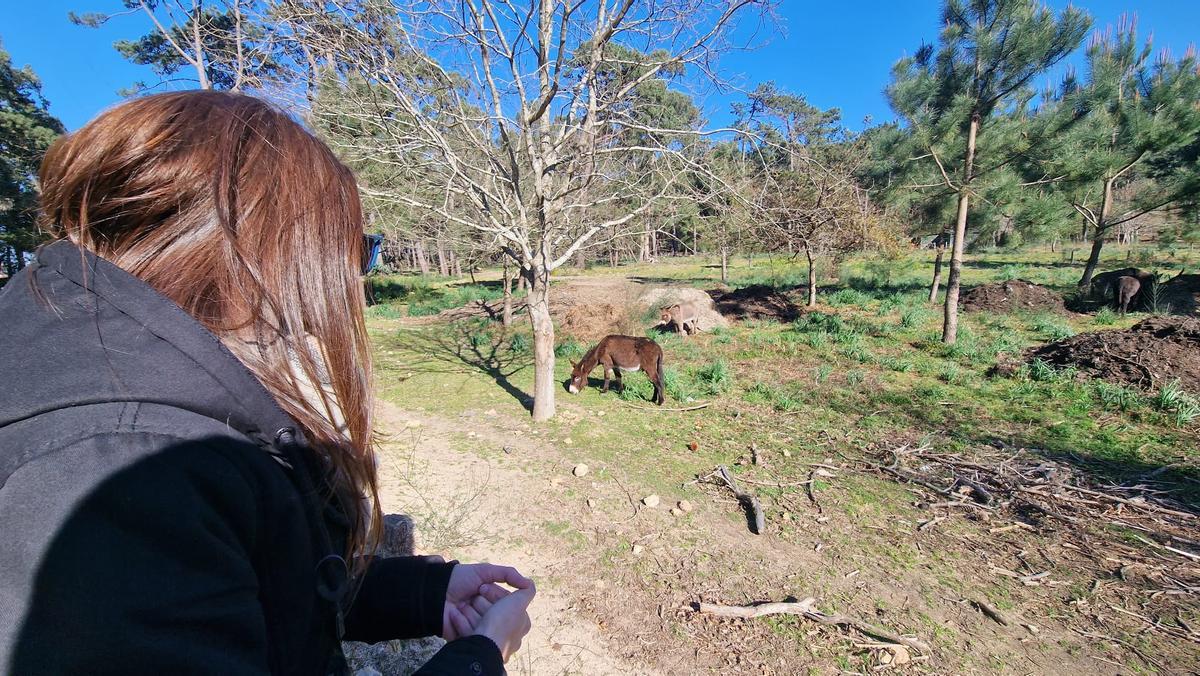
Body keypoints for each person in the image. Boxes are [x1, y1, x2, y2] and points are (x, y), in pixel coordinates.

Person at [0, 91, 534, 675]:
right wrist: (480, 659)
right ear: (267, 254)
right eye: (354, 250)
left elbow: (257, 589)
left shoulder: (137, 410)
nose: (355, 277)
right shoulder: (123, 468)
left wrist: (426, 592)